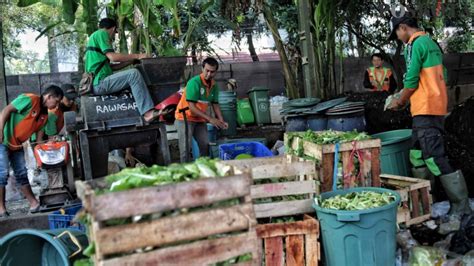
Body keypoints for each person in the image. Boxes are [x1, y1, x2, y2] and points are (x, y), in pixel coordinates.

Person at [387, 14, 471, 216]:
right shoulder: (431, 43)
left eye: (397, 33)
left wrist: (400, 100)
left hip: (426, 109)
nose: (398, 37)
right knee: (417, 154)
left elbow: (413, 80)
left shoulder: (417, 44)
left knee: (434, 157)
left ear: (403, 27)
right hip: (429, 108)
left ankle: (461, 206)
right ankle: (426, 200)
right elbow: (444, 75)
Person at [0, 85, 64, 217]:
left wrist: (49, 149)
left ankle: (34, 203)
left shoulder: (45, 116)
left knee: (22, 173)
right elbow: (6, 110)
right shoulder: (30, 99)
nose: (56, 106)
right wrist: (0, 130)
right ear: (49, 97)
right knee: (3, 173)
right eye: (56, 102)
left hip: (17, 145)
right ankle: (1, 208)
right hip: (3, 140)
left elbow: (39, 141)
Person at [85, 18, 160, 122]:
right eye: (115, 33)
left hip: (98, 82)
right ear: (113, 29)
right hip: (100, 83)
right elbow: (113, 57)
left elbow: (113, 67)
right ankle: (148, 113)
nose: (113, 37)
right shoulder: (102, 33)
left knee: (132, 73)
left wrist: (131, 61)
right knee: (133, 74)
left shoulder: (94, 38)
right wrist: (138, 55)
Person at [175, 57, 228, 162]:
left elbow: (215, 104)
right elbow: (192, 107)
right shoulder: (194, 82)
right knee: (185, 148)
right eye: (207, 70)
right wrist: (211, 119)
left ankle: (204, 169)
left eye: (212, 72)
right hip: (184, 118)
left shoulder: (214, 85)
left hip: (199, 119)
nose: (209, 74)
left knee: (205, 145)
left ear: (216, 72)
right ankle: (185, 174)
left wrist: (221, 120)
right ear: (202, 68)